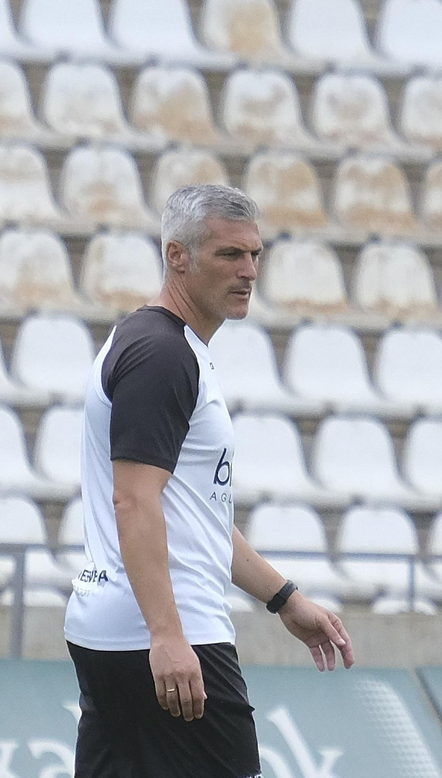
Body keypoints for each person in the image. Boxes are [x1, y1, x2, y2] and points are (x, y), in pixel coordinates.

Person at [65, 183, 356, 778]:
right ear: (177, 256)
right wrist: (169, 637)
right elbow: (135, 501)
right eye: (229, 255)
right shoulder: (162, 355)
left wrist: (284, 599)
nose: (248, 270)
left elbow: (195, 517)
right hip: (172, 634)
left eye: (255, 255)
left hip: (118, 630)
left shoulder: (164, 346)